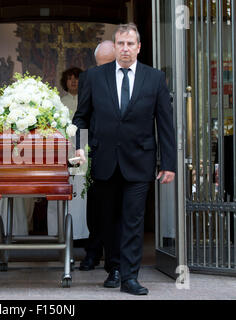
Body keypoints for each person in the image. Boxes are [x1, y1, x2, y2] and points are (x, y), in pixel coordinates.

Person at [73, 23, 176, 295]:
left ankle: (130, 277)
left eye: (131, 44)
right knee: (108, 220)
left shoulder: (154, 78)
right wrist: (80, 147)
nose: (126, 48)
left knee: (133, 219)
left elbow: (165, 124)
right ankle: (114, 268)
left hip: (140, 161)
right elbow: (81, 117)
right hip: (104, 159)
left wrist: (168, 164)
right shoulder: (95, 77)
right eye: (121, 43)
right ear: (115, 46)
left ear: (139, 47)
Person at [79, 40, 116, 271]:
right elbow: (82, 114)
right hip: (96, 151)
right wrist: (81, 149)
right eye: (101, 64)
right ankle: (93, 252)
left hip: (123, 152)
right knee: (95, 207)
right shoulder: (89, 77)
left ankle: (116, 261)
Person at [47, 66, 88, 241]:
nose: (73, 81)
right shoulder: (59, 103)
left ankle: (80, 234)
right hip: (63, 151)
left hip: (83, 151)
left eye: (77, 78)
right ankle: (60, 232)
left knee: (80, 192)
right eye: (70, 78)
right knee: (61, 189)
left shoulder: (87, 100)